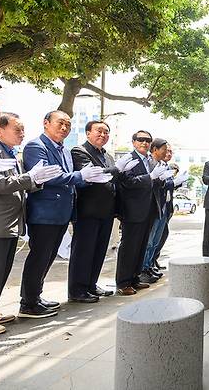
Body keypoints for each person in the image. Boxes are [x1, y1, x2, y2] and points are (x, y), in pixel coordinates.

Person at [0, 112, 61, 335]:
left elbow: (19, 183)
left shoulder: (9, 152)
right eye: (17, 129)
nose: (22, 134)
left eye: (23, 129)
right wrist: (30, 178)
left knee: (0, 272)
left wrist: (35, 181)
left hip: (9, 223)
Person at [20, 110, 110, 318]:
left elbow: (68, 177)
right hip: (45, 212)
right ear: (46, 123)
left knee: (48, 257)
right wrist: (80, 176)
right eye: (60, 123)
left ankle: (36, 296)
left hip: (62, 213)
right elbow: (47, 176)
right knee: (39, 257)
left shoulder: (64, 150)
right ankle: (28, 303)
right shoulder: (36, 146)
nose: (64, 128)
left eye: (68, 125)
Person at [68, 120, 139, 302]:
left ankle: (91, 284)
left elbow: (114, 179)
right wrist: (117, 169)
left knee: (99, 250)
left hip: (106, 210)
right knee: (84, 251)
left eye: (106, 132)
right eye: (99, 131)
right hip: (88, 209)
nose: (103, 135)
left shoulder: (107, 156)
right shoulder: (79, 152)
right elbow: (95, 175)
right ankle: (78, 290)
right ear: (88, 133)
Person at [115, 131, 172, 295]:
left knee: (141, 246)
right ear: (133, 142)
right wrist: (150, 177)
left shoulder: (148, 160)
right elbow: (127, 182)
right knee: (129, 247)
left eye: (147, 140)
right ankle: (123, 282)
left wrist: (161, 180)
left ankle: (134, 278)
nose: (144, 143)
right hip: (133, 210)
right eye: (140, 140)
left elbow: (153, 184)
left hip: (149, 210)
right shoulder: (129, 159)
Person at [140, 138, 176, 283]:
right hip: (153, 206)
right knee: (149, 241)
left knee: (155, 241)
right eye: (164, 149)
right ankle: (143, 268)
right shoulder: (150, 164)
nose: (166, 152)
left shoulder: (163, 165)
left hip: (163, 207)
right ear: (155, 149)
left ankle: (149, 265)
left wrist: (171, 182)